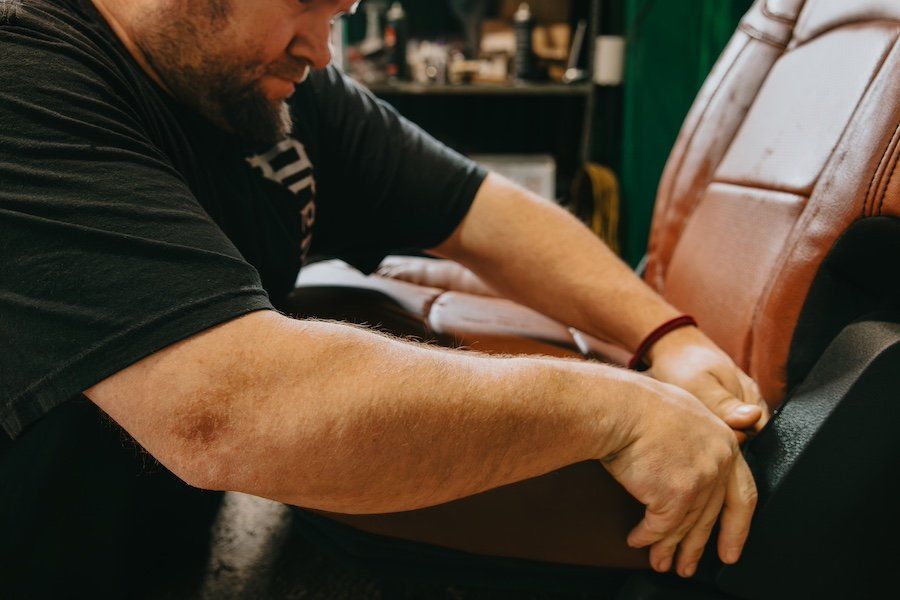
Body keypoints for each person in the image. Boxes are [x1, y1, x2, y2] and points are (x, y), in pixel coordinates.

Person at [0, 0, 767, 593]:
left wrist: (667, 336)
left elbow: (478, 210)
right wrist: (616, 413)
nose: (321, 50)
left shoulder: (267, 85)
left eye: (336, 14)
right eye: (302, 5)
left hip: (166, 557)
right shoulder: (23, 75)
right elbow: (225, 411)